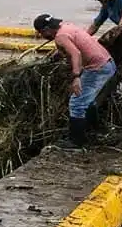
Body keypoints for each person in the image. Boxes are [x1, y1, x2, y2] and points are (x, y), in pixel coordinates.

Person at [34, 14, 117, 149]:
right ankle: (95, 131)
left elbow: (76, 53)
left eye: (42, 33)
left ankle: (76, 142)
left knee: (76, 103)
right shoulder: (67, 27)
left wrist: (76, 77)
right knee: (88, 100)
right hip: (108, 63)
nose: (43, 36)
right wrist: (59, 53)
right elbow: (76, 43)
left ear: (47, 30)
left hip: (97, 68)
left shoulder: (60, 37)